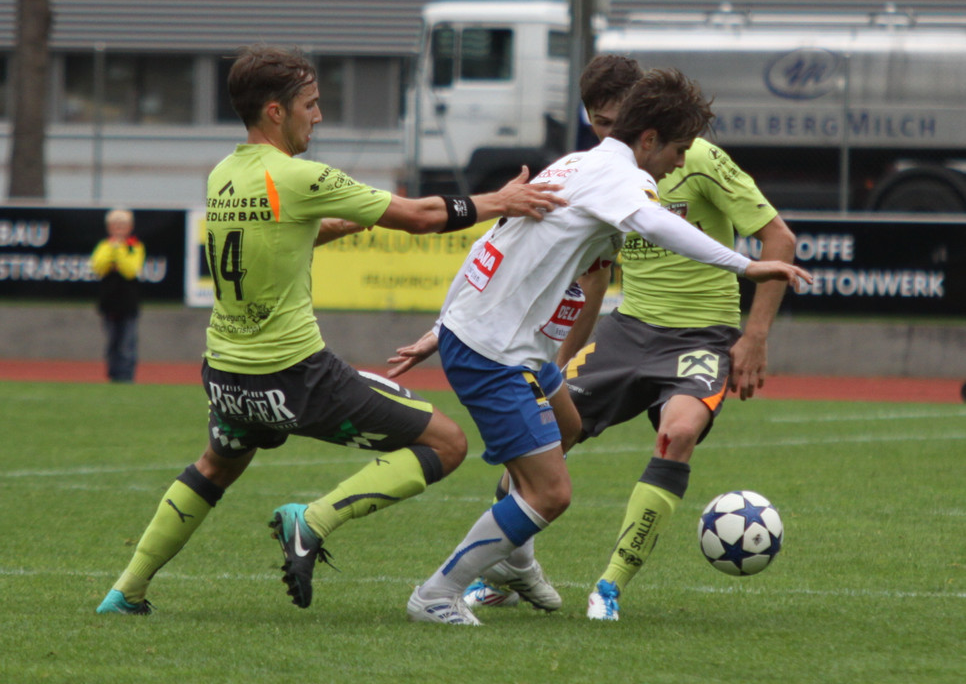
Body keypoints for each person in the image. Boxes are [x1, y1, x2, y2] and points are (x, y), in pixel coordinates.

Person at [95, 44, 567, 616]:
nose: (317, 116)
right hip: (295, 374)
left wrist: (336, 227)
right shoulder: (299, 176)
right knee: (447, 443)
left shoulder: (223, 174)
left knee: (214, 466)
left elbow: (278, 235)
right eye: (310, 104)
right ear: (275, 111)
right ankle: (312, 520)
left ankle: (126, 591)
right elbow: (419, 217)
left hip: (226, 374)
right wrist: (501, 200)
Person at [394, 67, 810, 625]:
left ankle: (517, 567)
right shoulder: (621, 179)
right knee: (550, 494)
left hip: (514, 345)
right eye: (678, 150)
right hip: (495, 352)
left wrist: (442, 327)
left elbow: (498, 246)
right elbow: (656, 225)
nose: (681, 162)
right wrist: (747, 265)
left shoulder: (577, 165)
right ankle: (437, 594)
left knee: (566, 427)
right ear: (649, 139)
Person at [90, 209, 146, 382]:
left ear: (130, 227)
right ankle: (113, 374)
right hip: (109, 301)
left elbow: (130, 270)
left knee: (128, 342)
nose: (119, 229)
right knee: (112, 341)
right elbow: (98, 267)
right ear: (109, 227)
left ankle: (126, 375)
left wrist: (119, 251)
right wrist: (111, 249)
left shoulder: (135, 246)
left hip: (128, 302)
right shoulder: (104, 246)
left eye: (123, 225)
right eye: (115, 225)